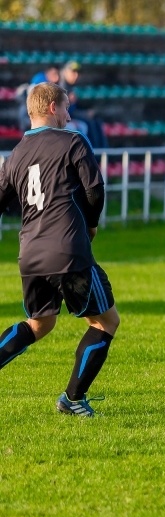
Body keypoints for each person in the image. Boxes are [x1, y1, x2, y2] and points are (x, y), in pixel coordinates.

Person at [0, 82, 120, 417]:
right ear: (53, 107)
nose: (69, 116)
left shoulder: (15, 156)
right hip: (68, 250)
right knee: (105, 323)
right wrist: (92, 224)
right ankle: (73, 399)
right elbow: (95, 190)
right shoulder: (73, 141)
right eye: (66, 108)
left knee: (39, 323)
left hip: (31, 255)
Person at [59, 61, 109, 149]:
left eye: (78, 72)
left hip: (73, 114)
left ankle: (103, 152)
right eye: (73, 72)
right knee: (89, 123)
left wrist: (88, 111)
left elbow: (79, 106)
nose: (76, 75)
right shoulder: (61, 88)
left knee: (96, 120)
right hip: (67, 117)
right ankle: (93, 152)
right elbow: (62, 110)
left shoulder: (72, 87)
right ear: (65, 72)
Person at [16, 65, 60, 132]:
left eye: (57, 74)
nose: (56, 77)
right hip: (31, 110)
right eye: (54, 73)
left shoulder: (57, 84)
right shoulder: (40, 78)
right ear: (48, 73)